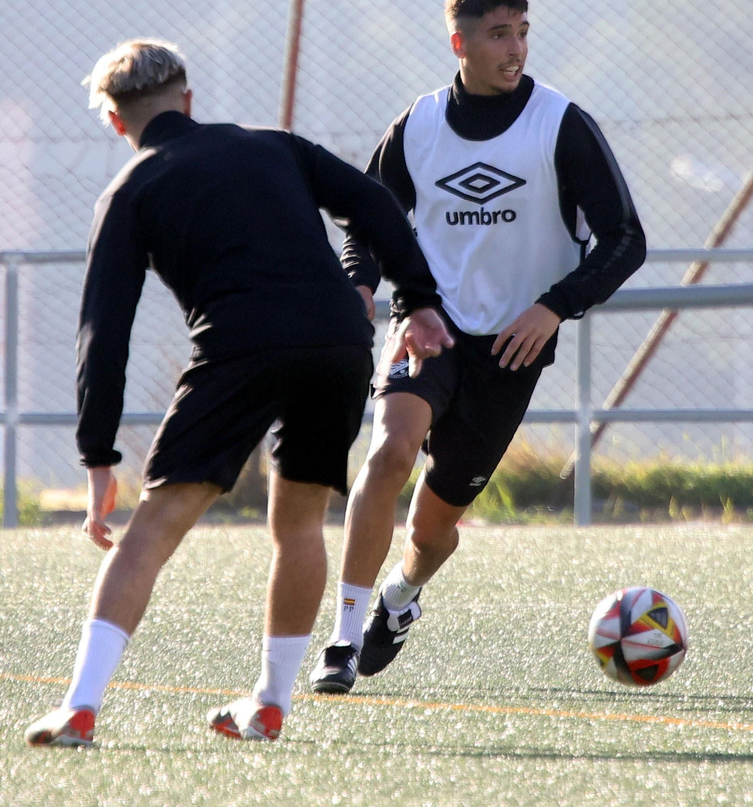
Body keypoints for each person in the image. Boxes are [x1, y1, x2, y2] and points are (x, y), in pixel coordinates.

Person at [24, 39, 452, 746]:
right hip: (337, 340)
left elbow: (104, 329)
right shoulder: (273, 146)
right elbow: (371, 201)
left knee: (154, 527)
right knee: (299, 524)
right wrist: (420, 298)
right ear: (188, 100)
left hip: (239, 346)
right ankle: (270, 702)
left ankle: (79, 707)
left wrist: (98, 454)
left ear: (113, 121)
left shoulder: (129, 191)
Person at [310, 0, 647, 693]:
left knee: (433, 531)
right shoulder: (419, 126)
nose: (515, 48)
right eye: (499, 34)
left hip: (511, 352)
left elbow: (625, 241)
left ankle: (400, 598)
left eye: (522, 31)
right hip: (426, 324)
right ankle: (339, 639)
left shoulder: (562, 125)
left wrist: (555, 306)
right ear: (459, 43)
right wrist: (359, 287)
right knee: (388, 453)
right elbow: (367, 225)